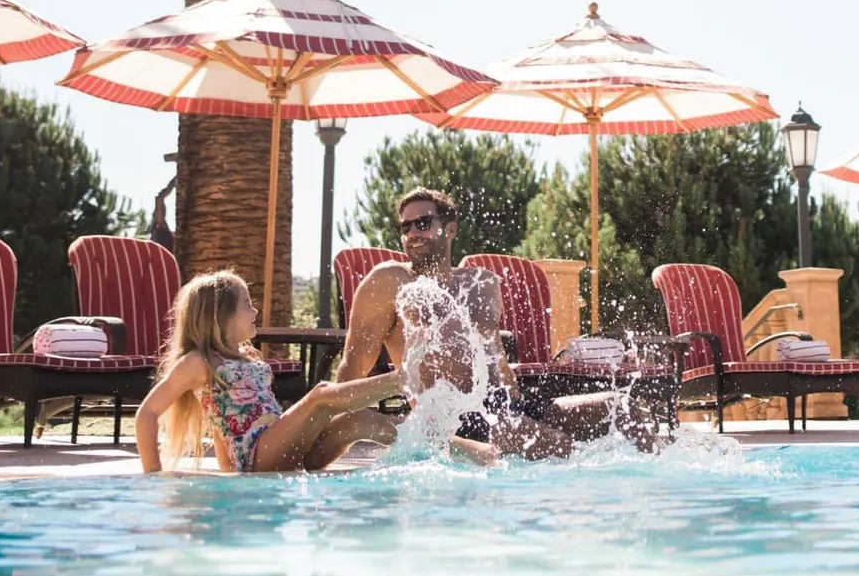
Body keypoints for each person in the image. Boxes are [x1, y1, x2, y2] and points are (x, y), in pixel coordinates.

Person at [340, 187, 596, 461]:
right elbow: (354, 365)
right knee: (563, 447)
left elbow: (496, 357)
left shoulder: (482, 283)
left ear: (450, 230)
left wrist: (519, 404)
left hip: (505, 407)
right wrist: (331, 425)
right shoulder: (391, 281)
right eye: (405, 227)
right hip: (453, 419)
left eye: (423, 223)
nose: (412, 233)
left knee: (622, 409)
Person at [136, 269, 401, 474]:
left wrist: (228, 468)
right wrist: (152, 474)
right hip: (259, 457)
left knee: (355, 420)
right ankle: (401, 379)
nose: (255, 310)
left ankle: (427, 439)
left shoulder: (249, 355)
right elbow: (146, 413)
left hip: (283, 447)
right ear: (221, 316)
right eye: (247, 304)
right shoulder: (198, 362)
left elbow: (225, 418)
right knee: (320, 395)